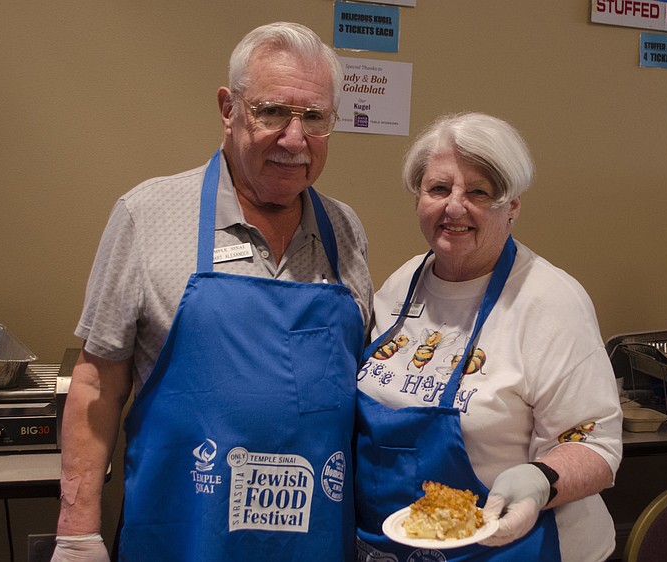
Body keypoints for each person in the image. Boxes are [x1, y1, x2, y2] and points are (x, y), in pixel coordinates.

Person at [51, 22, 373, 562]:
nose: (295, 139)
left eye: (314, 117)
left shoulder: (345, 230)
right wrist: (76, 529)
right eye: (272, 111)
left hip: (316, 539)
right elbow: (96, 382)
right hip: (183, 536)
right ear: (229, 109)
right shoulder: (147, 216)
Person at [355, 112, 623, 561]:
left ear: (512, 207)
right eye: (439, 189)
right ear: (418, 198)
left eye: (479, 192)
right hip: (399, 544)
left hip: (517, 546)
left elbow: (596, 445)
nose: (454, 207)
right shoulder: (402, 284)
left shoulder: (550, 302)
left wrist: (540, 480)